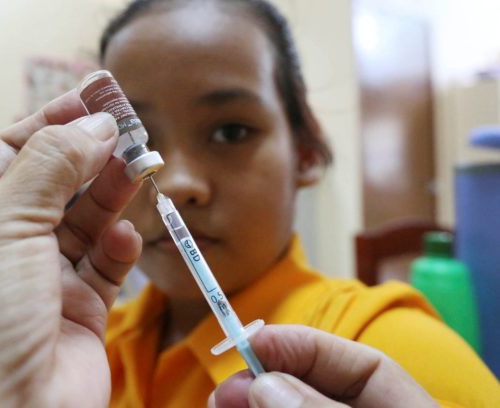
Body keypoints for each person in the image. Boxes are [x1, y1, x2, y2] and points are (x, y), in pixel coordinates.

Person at [99, 0, 500, 406]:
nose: (177, 182)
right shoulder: (85, 347)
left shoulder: (396, 351)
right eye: (135, 148)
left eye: (231, 132)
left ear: (305, 151)